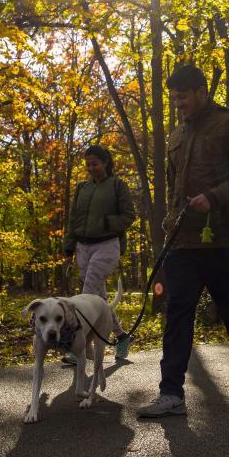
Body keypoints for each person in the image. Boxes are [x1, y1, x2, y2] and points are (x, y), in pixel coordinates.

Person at [137, 64, 229, 418]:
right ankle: (171, 394)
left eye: (183, 96)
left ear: (201, 91)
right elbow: (173, 186)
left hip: (224, 239)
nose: (178, 103)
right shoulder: (176, 135)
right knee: (177, 314)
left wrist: (215, 196)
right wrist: (170, 220)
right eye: (174, 97)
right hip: (182, 241)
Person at [62, 144, 136, 363]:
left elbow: (129, 216)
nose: (90, 168)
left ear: (105, 163)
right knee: (99, 299)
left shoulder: (117, 185)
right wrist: (69, 247)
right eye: (87, 164)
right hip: (83, 247)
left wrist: (107, 222)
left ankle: (77, 347)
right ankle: (121, 336)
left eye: (95, 163)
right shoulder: (82, 188)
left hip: (107, 245)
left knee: (85, 297)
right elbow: (73, 219)